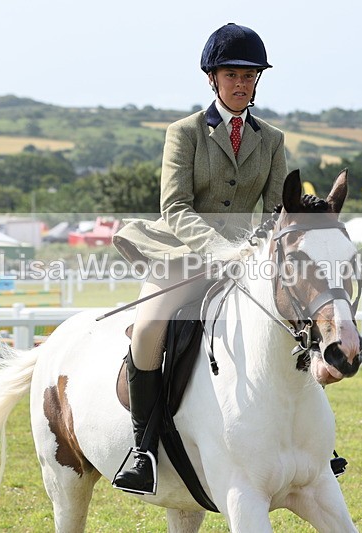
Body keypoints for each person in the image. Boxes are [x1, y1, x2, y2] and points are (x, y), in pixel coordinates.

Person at [110, 23, 287, 494]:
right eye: (231, 74)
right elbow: (175, 206)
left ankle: (308, 442)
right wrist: (219, 249)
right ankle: (144, 449)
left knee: (295, 322)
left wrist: (255, 249)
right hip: (184, 254)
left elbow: (275, 210)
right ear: (213, 78)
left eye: (249, 75)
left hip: (245, 260)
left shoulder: (271, 140)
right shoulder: (185, 133)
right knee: (149, 329)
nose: (241, 83)